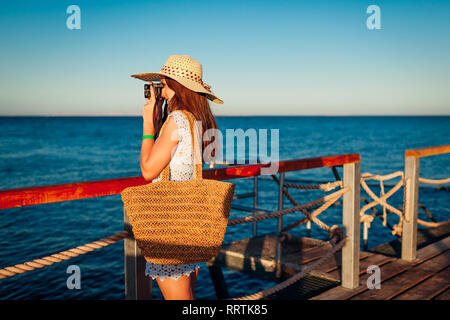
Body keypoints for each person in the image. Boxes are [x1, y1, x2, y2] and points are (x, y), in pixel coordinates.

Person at [134, 54, 223, 300]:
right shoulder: (196, 120)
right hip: (189, 220)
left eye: (162, 80)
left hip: (169, 224)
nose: (159, 85)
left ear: (171, 83)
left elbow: (148, 171)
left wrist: (148, 125)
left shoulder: (176, 120)